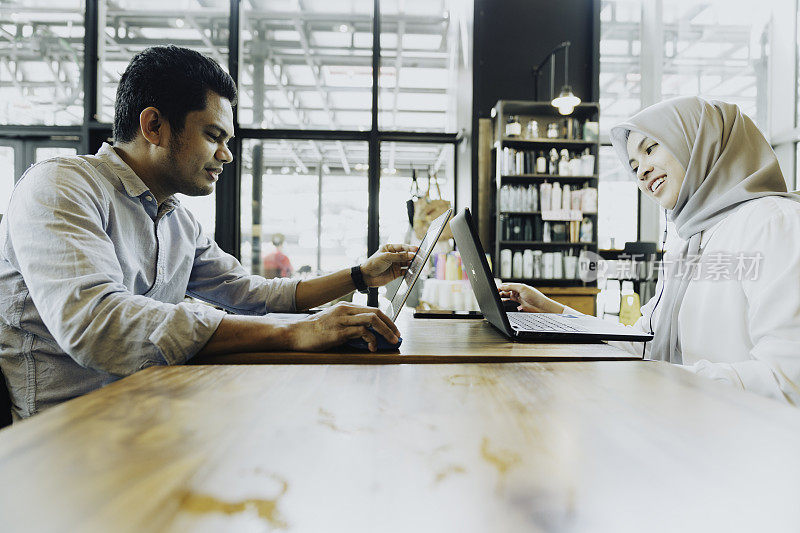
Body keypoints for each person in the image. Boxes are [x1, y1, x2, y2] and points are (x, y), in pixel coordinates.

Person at [0, 46, 416, 420]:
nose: (227, 154)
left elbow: (251, 294)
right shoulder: (60, 187)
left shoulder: (178, 220)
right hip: (65, 442)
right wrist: (296, 332)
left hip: (149, 415)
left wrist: (360, 275)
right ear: (154, 126)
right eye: (214, 136)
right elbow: (99, 324)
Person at [499, 96, 800, 405]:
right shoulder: (688, 241)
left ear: (700, 141)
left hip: (747, 438)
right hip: (687, 422)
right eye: (634, 165)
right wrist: (554, 311)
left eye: (650, 149)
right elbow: (643, 343)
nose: (640, 172)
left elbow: (788, 380)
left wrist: (661, 382)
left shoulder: (773, 223)